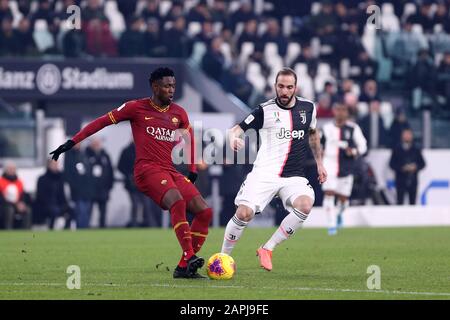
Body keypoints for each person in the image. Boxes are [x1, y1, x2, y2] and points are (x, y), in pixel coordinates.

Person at [50, 67, 212, 279]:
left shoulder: (179, 113)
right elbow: (101, 122)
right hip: (146, 170)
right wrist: (72, 142)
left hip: (168, 170)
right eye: (166, 86)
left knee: (204, 211)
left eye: (173, 86)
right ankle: (190, 256)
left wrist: (192, 170)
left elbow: (190, 139)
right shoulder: (135, 107)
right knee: (178, 202)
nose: (171, 90)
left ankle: (184, 266)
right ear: (155, 87)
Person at [220, 68, 327, 271]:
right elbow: (236, 129)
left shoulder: (308, 108)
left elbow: (313, 135)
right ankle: (223, 258)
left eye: (289, 87)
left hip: (293, 175)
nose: (284, 91)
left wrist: (320, 163)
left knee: (304, 205)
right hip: (264, 174)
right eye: (280, 86)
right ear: (274, 86)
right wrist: (233, 138)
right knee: (243, 214)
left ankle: (267, 248)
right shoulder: (264, 110)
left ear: (296, 88)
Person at [320, 102, 367, 235]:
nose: (340, 112)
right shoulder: (326, 128)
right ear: (334, 111)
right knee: (329, 194)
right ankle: (331, 225)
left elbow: (363, 147)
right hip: (329, 165)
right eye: (338, 109)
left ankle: (340, 213)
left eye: (343, 110)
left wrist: (353, 151)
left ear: (347, 112)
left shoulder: (353, 128)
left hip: (346, 168)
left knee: (343, 199)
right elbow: (318, 145)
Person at [389, 129, 426, 205]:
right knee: (400, 202)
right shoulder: (397, 149)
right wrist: (402, 168)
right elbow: (392, 164)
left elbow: (422, 164)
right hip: (400, 180)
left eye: (409, 135)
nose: (407, 137)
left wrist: (415, 167)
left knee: (412, 202)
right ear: (402, 136)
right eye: (405, 135)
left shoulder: (416, 149)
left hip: (412, 179)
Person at [85, 137, 114, 228]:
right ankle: (86, 228)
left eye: (98, 143)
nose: (97, 145)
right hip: (90, 189)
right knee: (88, 211)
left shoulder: (105, 155)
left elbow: (110, 172)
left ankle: (102, 228)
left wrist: (109, 187)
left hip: (103, 189)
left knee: (103, 212)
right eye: (95, 143)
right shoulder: (86, 155)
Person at [34, 160, 70, 229]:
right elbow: (41, 196)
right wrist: (50, 204)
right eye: (54, 164)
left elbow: (62, 195)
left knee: (71, 211)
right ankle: (51, 229)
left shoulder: (61, 178)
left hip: (58, 205)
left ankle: (66, 229)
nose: (56, 166)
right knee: (54, 211)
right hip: (46, 205)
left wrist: (65, 204)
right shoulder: (42, 179)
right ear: (49, 165)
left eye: (57, 164)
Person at [0, 161, 31, 229]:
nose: (12, 170)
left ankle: (26, 230)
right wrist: (14, 204)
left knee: (27, 210)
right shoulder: (1, 181)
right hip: (4, 205)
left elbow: (22, 195)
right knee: (9, 210)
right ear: (5, 170)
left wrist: (22, 203)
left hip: (17, 205)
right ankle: (8, 229)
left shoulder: (19, 182)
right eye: (10, 169)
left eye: (13, 169)